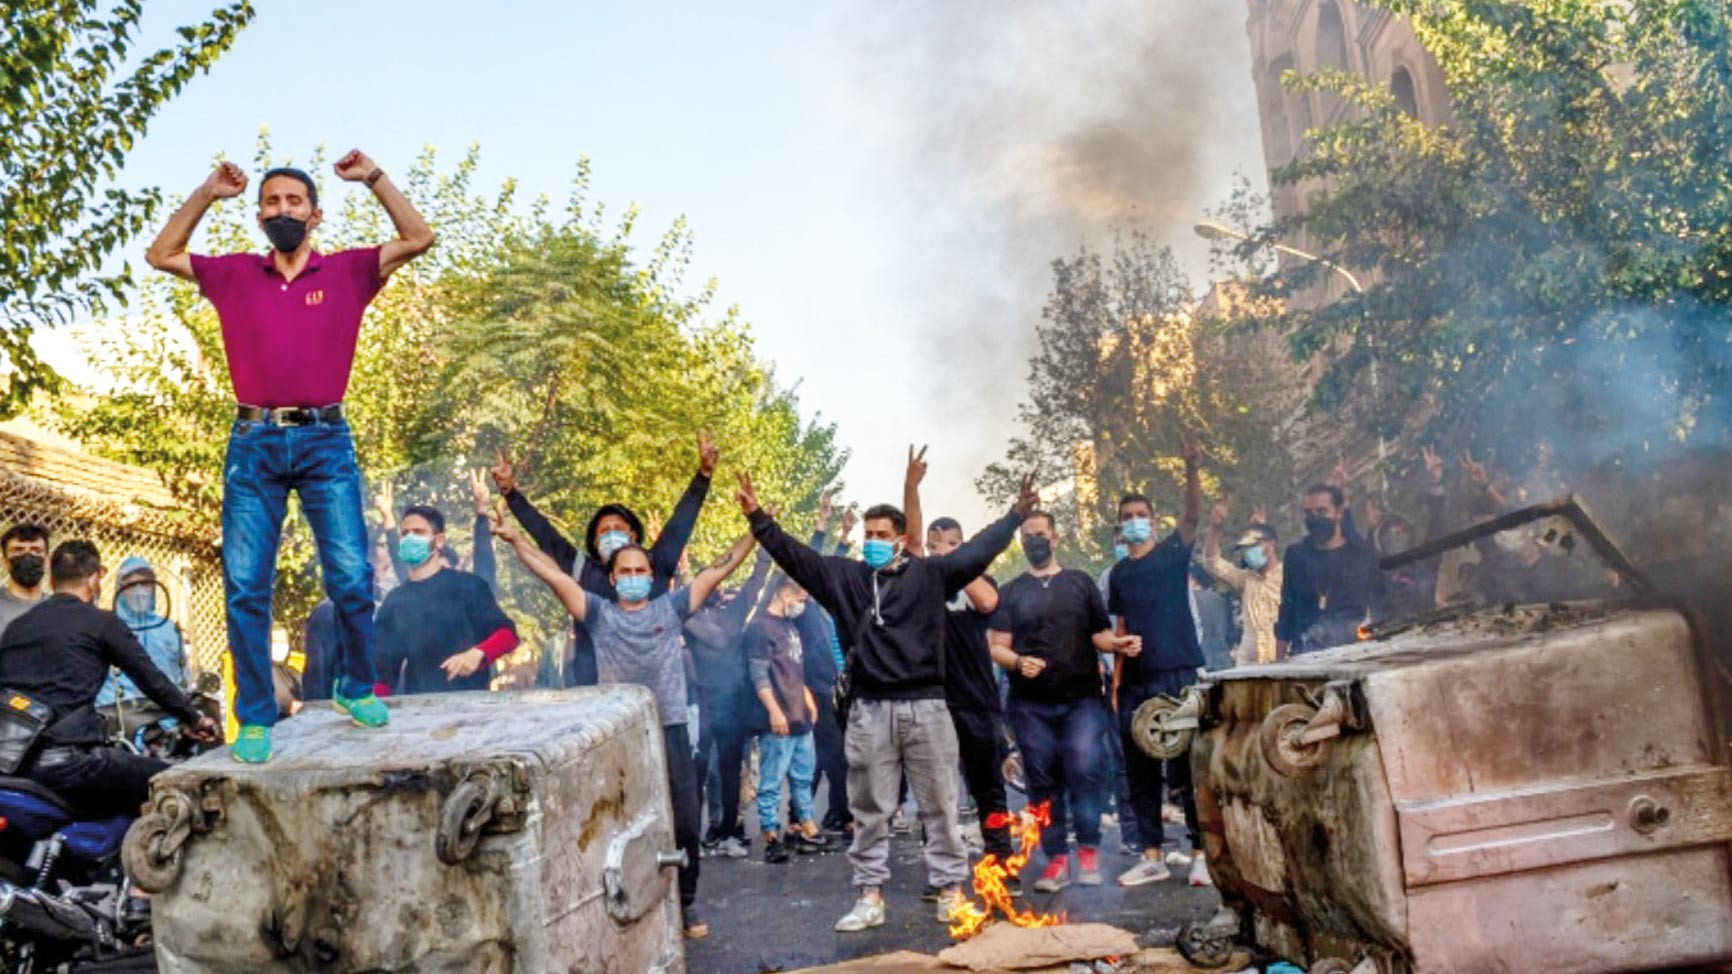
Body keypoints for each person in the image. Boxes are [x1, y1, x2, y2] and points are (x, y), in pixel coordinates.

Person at [145, 152, 435, 762]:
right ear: (259, 216)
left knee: (351, 576)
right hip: (254, 443)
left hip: (325, 440)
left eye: (293, 202)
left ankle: (354, 685)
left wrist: (374, 178)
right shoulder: (234, 274)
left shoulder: (349, 271)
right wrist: (207, 193)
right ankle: (254, 717)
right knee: (246, 586)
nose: (283, 210)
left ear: (314, 215)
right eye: (272, 202)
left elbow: (419, 237)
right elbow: (161, 253)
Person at [737, 467, 1038, 932]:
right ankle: (869, 895)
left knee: (940, 805)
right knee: (870, 810)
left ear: (901, 539)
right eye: (869, 534)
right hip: (869, 710)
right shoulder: (845, 578)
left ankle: (950, 891)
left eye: (882, 534)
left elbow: (978, 550)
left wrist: (1015, 515)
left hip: (928, 707)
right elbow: (795, 556)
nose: (873, 541)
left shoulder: (931, 575)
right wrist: (758, 518)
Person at [496, 515, 759, 941]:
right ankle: (622, 902)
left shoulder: (671, 608)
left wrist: (756, 527)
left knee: (686, 822)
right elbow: (552, 574)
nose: (634, 577)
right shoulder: (598, 613)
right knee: (619, 822)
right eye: (626, 571)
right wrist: (514, 541)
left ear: (651, 577)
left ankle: (685, 901)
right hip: (620, 734)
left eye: (641, 570)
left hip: (670, 728)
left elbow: (719, 569)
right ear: (613, 578)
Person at [0, 541, 218, 817]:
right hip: (70, 761)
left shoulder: (17, 628)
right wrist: (195, 719)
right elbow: (151, 679)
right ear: (94, 579)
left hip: (13, 762)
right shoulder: (100, 622)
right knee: (179, 783)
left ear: (52, 580)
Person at [989, 510, 1140, 894]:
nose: (1034, 541)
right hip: (1030, 705)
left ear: (1054, 538)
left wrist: (1117, 644)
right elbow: (998, 648)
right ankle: (1056, 858)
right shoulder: (1011, 591)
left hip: (1082, 700)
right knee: (1042, 780)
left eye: (1040, 534)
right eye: (1027, 536)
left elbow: (1099, 635)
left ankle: (1088, 850)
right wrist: (1018, 662)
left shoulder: (1080, 582)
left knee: (1084, 766)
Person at [492, 436, 716, 686]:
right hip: (596, 690)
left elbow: (681, 522)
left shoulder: (656, 564)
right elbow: (545, 534)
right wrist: (511, 493)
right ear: (595, 541)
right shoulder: (580, 569)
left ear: (633, 536)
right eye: (604, 531)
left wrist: (703, 476)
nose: (612, 534)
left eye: (618, 529)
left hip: (655, 688)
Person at [373, 506, 519, 695]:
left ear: (439, 540)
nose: (409, 539)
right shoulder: (395, 601)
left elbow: (508, 636)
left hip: (472, 704)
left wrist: (478, 654)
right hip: (418, 705)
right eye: (405, 534)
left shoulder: (468, 586)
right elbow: (383, 673)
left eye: (418, 532)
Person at [685, 545, 771, 857]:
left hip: (729, 703)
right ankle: (696, 835)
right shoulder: (688, 616)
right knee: (699, 772)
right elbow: (755, 583)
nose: (714, 588)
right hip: (702, 703)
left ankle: (727, 832)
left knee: (729, 770)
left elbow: (755, 583)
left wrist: (764, 554)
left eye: (715, 583)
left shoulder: (723, 614)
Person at [747, 575, 829, 863]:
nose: (803, 605)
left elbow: (795, 668)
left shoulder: (790, 626)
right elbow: (758, 675)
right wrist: (774, 710)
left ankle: (807, 825)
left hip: (799, 715)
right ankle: (771, 835)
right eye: (801, 599)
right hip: (779, 719)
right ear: (785, 595)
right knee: (771, 780)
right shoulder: (760, 628)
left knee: (802, 777)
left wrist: (807, 699)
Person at [1275, 483, 1380, 656]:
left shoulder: (1361, 555)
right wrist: (1279, 657)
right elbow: (1287, 607)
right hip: (1305, 650)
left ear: (1339, 513)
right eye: (1309, 513)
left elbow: (1379, 603)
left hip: (1354, 650)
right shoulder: (1296, 555)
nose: (1315, 519)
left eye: (1322, 511)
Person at [95, 557, 190, 719]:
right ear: (120, 589)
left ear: (154, 587)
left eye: (145, 584)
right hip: (120, 716)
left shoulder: (168, 629)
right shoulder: (108, 628)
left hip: (165, 715)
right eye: (131, 585)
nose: (139, 591)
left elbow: (181, 674)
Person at [1202, 500, 1285, 666]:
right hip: (1248, 664)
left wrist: (1262, 528)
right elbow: (1212, 562)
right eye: (1245, 549)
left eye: (1253, 546)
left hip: (1283, 661)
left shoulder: (1290, 576)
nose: (1248, 553)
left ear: (1271, 545)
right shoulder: (1245, 579)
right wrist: (1215, 529)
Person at [0, 523, 49, 638]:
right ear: (4, 562)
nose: (27, 556)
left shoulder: (60, 609)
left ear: (47, 561)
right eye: (18, 550)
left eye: (36, 551)